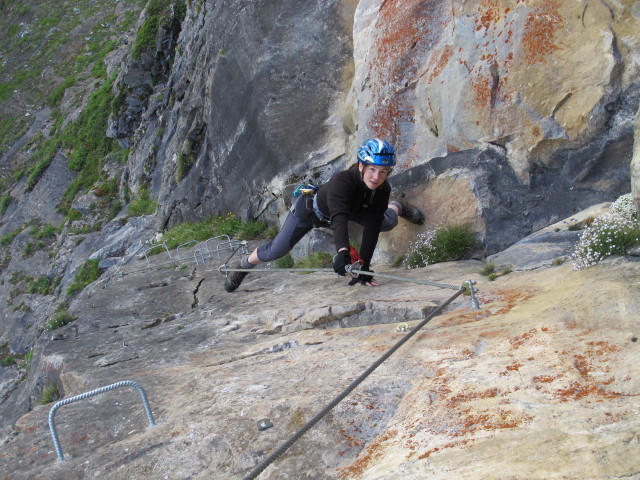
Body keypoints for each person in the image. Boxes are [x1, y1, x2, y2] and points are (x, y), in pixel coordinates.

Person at [224, 138, 424, 292]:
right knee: (275, 251)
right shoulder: (342, 182)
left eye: (383, 172)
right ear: (361, 166)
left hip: (353, 210)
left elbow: (371, 227)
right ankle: (242, 266)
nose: (376, 177)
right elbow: (339, 218)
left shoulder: (382, 189)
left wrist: (364, 267)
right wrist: (342, 253)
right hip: (309, 212)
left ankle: (397, 206)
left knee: (385, 223)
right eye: (372, 169)